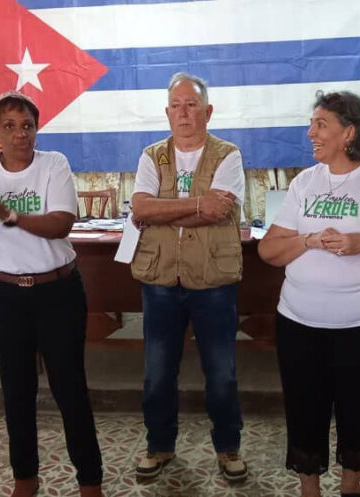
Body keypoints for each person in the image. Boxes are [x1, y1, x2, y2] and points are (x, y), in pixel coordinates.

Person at [258, 91, 360, 497]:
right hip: (299, 323)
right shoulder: (304, 183)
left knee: (359, 412)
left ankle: (351, 488)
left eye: (321, 124)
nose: (310, 132)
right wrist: (308, 240)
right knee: (303, 411)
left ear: (349, 132)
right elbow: (269, 251)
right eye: (311, 124)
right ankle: (309, 489)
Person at [0, 91, 104, 497]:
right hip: (2, 297)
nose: (20, 134)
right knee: (16, 389)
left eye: (27, 126)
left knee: (70, 389)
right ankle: (25, 477)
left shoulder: (53, 164)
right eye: (10, 126)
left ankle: (89, 480)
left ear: (36, 129)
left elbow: (60, 224)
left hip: (57, 293)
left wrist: (9, 214)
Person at [129, 73, 248, 481]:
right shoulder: (152, 156)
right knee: (158, 371)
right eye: (176, 106)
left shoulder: (228, 155)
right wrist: (197, 204)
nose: (183, 113)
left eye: (191, 105)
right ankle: (159, 445)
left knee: (221, 372)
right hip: (159, 279)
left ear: (207, 112)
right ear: (167, 113)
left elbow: (219, 212)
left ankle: (228, 447)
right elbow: (141, 208)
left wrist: (162, 209)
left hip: (213, 280)